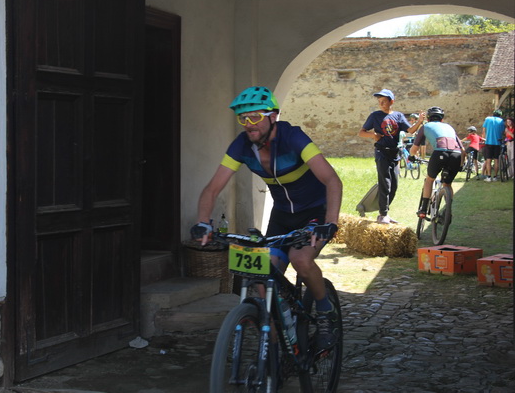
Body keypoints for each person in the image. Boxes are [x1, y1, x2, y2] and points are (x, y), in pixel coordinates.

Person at [190, 86, 343, 349]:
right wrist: (203, 221)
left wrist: (331, 222)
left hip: (315, 212)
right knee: (262, 278)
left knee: (300, 259)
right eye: (243, 118)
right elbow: (212, 188)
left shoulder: (293, 137)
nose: (249, 124)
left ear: (273, 117)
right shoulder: (242, 145)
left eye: (255, 116)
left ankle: (324, 309)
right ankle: (275, 350)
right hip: (281, 216)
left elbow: (332, 180)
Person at [358, 89, 423, 224]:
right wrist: (373, 135)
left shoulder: (398, 116)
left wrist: (420, 121)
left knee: (394, 186)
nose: (381, 104)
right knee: (385, 183)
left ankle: (384, 213)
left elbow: (410, 130)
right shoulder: (375, 116)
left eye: (384, 101)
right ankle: (383, 214)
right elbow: (361, 132)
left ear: (391, 101)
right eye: (379, 101)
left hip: (395, 153)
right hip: (381, 152)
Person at [409, 107, 464, 217]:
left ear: (428, 119)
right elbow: (463, 150)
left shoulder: (425, 126)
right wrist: (461, 165)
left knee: (429, 179)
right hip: (456, 154)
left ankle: (423, 210)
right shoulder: (449, 127)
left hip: (439, 153)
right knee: (447, 184)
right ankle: (447, 210)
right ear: (442, 119)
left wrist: (411, 156)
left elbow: (414, 148)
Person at [481, 109, 506, 182]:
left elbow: (483, 131)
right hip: (497, 142)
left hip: (489, 142)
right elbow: (503, 131)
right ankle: (495, 176)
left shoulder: (488, 119)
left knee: (488, 160)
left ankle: (489, 177)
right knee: (496, 160)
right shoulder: (501, 121)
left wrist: (484, 139)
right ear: (500, 115)